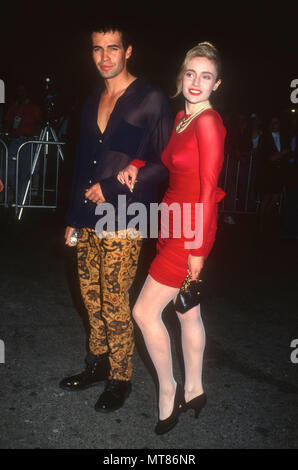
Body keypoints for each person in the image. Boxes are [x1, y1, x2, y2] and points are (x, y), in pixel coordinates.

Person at [59, 23, 173, 413]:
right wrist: (73, 216)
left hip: (125, 217)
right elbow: (81, 165)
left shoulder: (151, 98)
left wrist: (116, 187)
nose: (104, 56)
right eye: (96, 49)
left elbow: (164, 163)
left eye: (112, 48)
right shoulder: (92, 100)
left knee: (114, 301)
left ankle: (120, 377)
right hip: (87, 217)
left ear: (128, 51)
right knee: (90, 299)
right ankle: (97, 364)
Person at [118, 42, 226, 434]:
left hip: (191, 228)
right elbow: (165, 159)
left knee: (144, 312)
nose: (197, 82)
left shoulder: (209, 122)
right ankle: (196, 388)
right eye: (191, 74)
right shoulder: (181, 117)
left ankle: (170, 391)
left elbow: (209, 188)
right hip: (170, 221)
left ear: (217, 83)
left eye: (206, 76)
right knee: (187, 310)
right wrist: (136, 162)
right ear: (181, 76)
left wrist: (198, 247)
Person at [4, 84, 42, 202]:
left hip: (27, 143)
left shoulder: (33, 107)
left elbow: (40, 123)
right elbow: (7, 123)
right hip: (15, 142)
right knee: (10, 172)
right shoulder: (13, 107)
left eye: (22, 90)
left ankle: (22, 200)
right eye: (18, 90)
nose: (20, 93)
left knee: (25, 172)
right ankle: (18, 196)